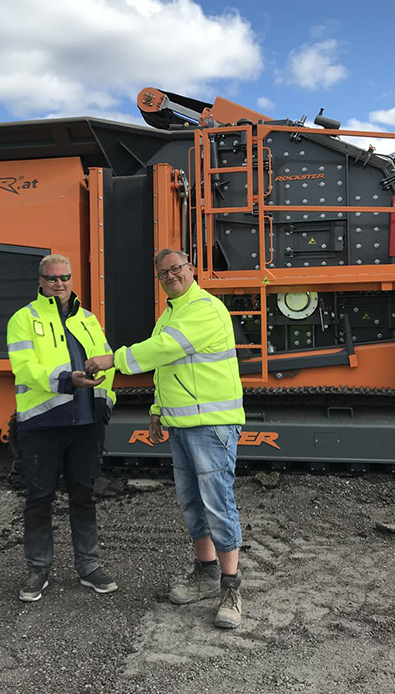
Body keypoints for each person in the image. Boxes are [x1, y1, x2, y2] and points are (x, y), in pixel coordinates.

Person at [86, 248, 245, 629]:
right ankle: (206, 575)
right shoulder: (172, 312)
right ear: (159, 280)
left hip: (212, 425)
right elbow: (168, 367)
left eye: (177, 268)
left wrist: (114, 359)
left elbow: (164, 349)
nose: (171, 275)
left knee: (218, 504)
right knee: (193, 504)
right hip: (184, 424)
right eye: (164, 273)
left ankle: (231, 589)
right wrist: (157, 410)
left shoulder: (204, 308)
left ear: (191, 269)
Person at [6, 254, 117, 602]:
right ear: (40, 281)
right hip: (42, 424)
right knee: (39, 498)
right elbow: (24, 368)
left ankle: (89, 566)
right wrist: (66, 380)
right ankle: (38, 570)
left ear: (72, 279)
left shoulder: (88, 320)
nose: (59, 283)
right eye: (52, 278)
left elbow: (107, 360)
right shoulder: (24, 319)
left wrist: (107, 402)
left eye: (65, 277)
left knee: (83, 496)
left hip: (86, 425)